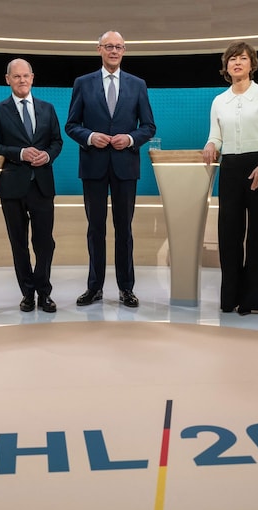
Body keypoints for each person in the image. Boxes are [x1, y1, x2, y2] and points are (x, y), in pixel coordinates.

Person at [65, 30, 156, 308]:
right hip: (93, 165)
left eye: (118, 47)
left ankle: (126, 289)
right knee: (95, 230)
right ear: (99, 49)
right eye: (109, 46)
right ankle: (95, 288)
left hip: (125, 166)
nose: (114, 51)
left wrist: (129, 139)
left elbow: (149, 127)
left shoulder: (138, 84)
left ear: (124, 50)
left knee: (123, 230)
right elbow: (71, 125)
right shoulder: (83, 83)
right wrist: (91, 137)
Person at [202, 41, 258, 315]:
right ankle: (230, 298)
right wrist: (211, 144)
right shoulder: (219, 101)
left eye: (243, 58)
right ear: (226, 67)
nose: (237, 63)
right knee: (229, 235)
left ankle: (254, 300)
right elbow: (215, 135)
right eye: (232, 59)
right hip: (230, 168)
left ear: (252, 64)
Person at [0, 58, 63, 313]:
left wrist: (48, 155)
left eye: (25, 76)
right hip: (12, 186)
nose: (21, 80)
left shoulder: (47, 108)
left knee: (45, 243)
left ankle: (44, 291)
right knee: (18, 243)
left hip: (41, 185)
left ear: (32, 78)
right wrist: (20, 153)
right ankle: (27, 293)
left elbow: (56, 141)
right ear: (7, 79)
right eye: (16, 76)